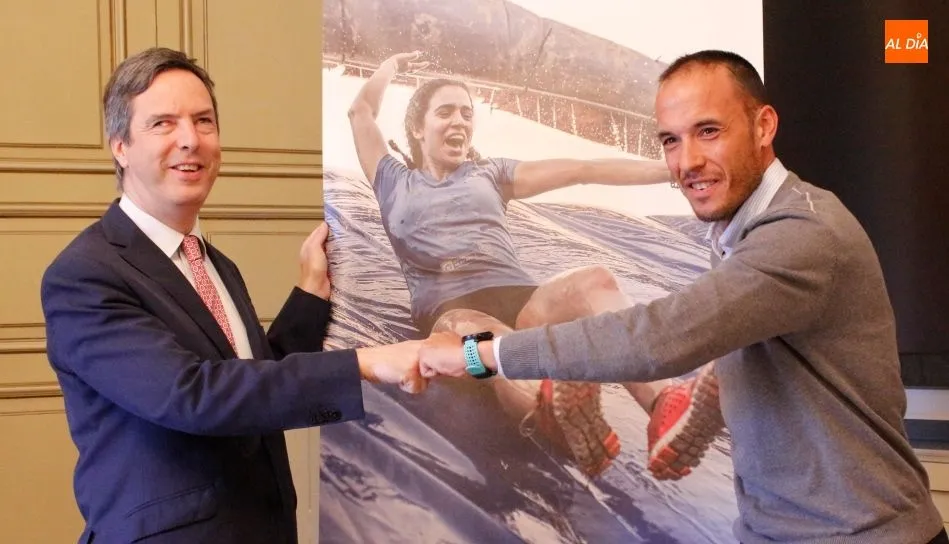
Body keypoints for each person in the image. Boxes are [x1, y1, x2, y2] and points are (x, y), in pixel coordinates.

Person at [417, 50, 948, 544]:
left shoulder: (800, 234)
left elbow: (656, 339)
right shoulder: (740, 227)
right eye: (670, 141)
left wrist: (475, 355)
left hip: (858, 534)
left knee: (624, 318)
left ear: (764, 126)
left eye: (708, 132)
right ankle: (669, 395)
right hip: (777, 527)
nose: (688, 160)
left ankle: (582, 402)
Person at [40, 47, 426, 544]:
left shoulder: (214, 263)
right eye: (163, 124)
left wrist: (310, 294)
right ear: (120, 147)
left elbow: (252, 386)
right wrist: (367, 363)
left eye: (203, 121)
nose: (190, 140)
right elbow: (192, 396)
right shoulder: (84, 275)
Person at [346, 50, 724, 479]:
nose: (459, 122)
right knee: (485, 337)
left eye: (467, 114)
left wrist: (675, 169)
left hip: (524, 300)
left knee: (594, 281)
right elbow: (360, 111)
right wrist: (391, 66)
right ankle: (551, 411)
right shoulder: (393, 180)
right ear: (417, 127)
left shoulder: (490, 173)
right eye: (445, 112)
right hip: (453, 313)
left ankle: (663, 406)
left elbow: (584, 169)